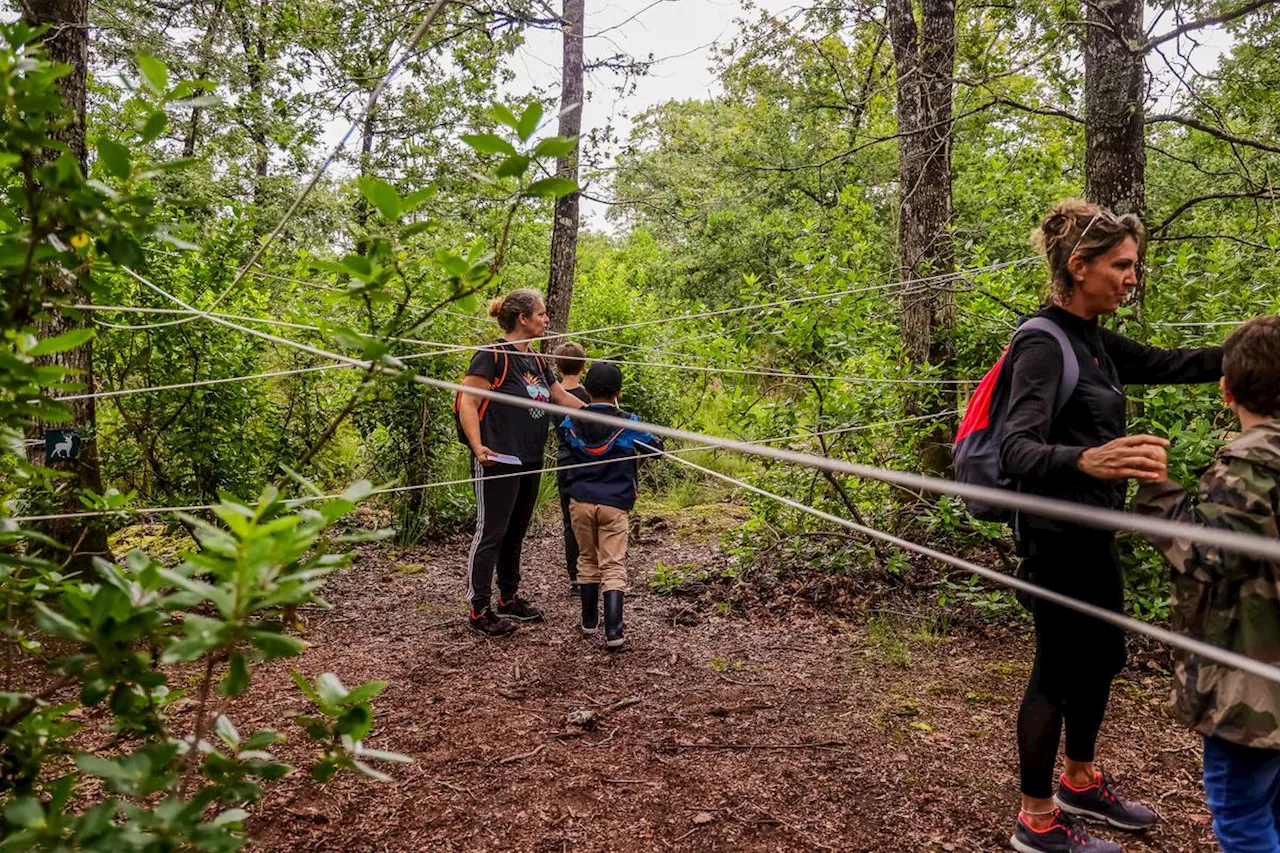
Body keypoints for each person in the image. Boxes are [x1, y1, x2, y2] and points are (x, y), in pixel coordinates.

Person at [1001, 199, 1223, 853]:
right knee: (1057, 670)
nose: (1133, 277)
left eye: (1134, 265)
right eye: (1123, 265)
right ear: (1080, 266)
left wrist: (1255, 348)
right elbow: (1018, 449)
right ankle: (1036, 818)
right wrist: (1088, 458)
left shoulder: (1094, 336)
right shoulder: (1042, 342)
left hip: (1094, 532)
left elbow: (1170, 362)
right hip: (1053, 537)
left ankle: (1079, 780)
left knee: (1102, 657)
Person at [1133, 316, 1280, 853]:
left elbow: (1208, 556)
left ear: (1226, 389)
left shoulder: (1252, 461)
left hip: (1256, 689)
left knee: (1241, 813)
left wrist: (1157, 490)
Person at [457, 289, 585, 638]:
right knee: (491, 532)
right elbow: (468, 401)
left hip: (529, 457)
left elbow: (559, 398)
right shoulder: (492, 355)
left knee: (516, 530)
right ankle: (478, 609)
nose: (546, 320)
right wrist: (477, 445)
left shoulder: (539, 361)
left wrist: (602, 415)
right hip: (498, 457)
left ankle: (508, 597)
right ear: (523, 319)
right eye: (541, 314)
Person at [557, 362, 663, 649]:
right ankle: (614, 632)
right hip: (614, 504)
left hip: (580, 502)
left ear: (587, 390)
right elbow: (657, 449)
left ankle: (589, 623)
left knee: (587, 560)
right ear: (619, 391)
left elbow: (564, 455)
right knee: (613, 564)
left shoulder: (571, 420)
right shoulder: (628, 422)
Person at [552, 342, 591, 596]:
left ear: (557, 366)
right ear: (583, 366)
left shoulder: (552, 395)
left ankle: (575, 576)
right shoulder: (588, 397)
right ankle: (589, 572)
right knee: (587, 518)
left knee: (569, 521)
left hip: (564, 460)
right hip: (587, 462)